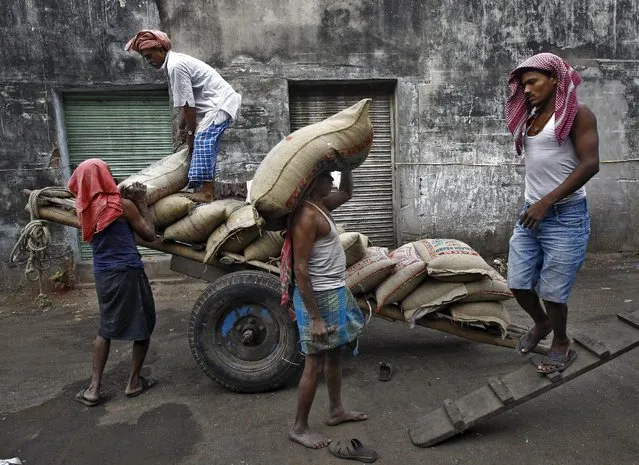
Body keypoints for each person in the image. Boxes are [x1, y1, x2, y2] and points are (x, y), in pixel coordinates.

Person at [504, 53, 600, 374]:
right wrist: (537, 204)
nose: (526, 89)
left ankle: (561, 343)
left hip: (565, 216)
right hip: (531, 213)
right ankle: (541, 324)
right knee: (517, 283)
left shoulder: (577, 114)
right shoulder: (530, 118)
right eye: (523, 84)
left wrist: (546, 202)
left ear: (555, 79)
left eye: (533, 82)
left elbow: (590, 164)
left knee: (553, 291)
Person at [280, 169, 367, 449]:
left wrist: (348, 166)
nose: (332, 180)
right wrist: (315, 317)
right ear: (312, 182)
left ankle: (335, 410)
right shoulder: (307, 215)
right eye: (327, 176)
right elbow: (301, 270)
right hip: (317, 297)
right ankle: (299, 427)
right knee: (314, 362)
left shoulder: (321, 205)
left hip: (334, 292)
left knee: (334, 354)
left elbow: (348, 193)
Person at [68, 159, 158, 406]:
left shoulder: (83, 209)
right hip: (128, 271)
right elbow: (149, 234)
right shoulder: (121, 206)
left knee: (106, 327)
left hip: (103, 274)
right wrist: (141, 202)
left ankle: (94, 389)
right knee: (143, 323)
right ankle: (133, 383)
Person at [125, 30, 242, 202]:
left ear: (161, 50)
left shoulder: (176, 66)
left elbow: (188, 106)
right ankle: (207, 189)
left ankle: (206, 192)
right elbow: (185, 103)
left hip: (220, 104)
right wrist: (181, 128)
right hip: (220, 104)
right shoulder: (174, 63)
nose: (149, 61)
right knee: (206, 145)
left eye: (150, 56)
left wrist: (190, 134)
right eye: (145, 58)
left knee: (202, 141)